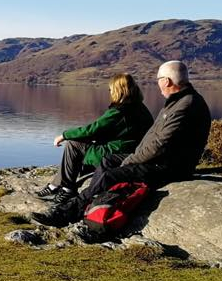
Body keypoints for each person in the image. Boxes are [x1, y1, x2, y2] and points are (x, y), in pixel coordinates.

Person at [32, 60, 211, 227]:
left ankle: (67, 213)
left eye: (158, 80)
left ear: (166, 81)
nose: (157, 85)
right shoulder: (179, 101)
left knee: (111, 175)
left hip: (168, 167)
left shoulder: (185, 105)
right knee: (108, 161)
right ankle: (93, 203)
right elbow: (153, 137)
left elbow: (159, 144)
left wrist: (130, 161)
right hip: (161, 160)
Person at [36, 73, 154, 202]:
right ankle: (57, 185)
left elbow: (93, 129)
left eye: (110, 89)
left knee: (73, 144)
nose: (110, 92)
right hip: (131, 151)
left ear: (117, 90)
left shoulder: (120, 111)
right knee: (82, 141)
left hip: (115, 154)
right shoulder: (141, 108)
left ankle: (66, 188)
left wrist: (64, 135)